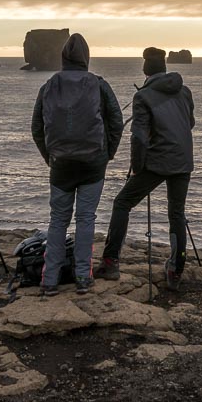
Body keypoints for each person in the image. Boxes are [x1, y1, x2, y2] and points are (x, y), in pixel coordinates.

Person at [94, 47, 195, 290]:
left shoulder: (143, 97)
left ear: (145, 69)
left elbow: (138, 137)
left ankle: (110, 262)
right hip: (183, 159)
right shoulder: (184, 91)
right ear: (165, 66)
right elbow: (189, 123)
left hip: (158, 161)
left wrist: (138, 167)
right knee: (177, 213)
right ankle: (176, 269)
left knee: (122, 203)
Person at [31, 33, 123, 296]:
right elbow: (115, 121)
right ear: (86, 57)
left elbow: (36, 126)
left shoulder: (49, 85)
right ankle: (83, 277)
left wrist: (50, 157)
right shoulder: (99, 84)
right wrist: (108, 155)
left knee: (58, 220)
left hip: (61, 164)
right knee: (85, 219)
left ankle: (50, 280)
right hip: (93, 163)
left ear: (63, 57)